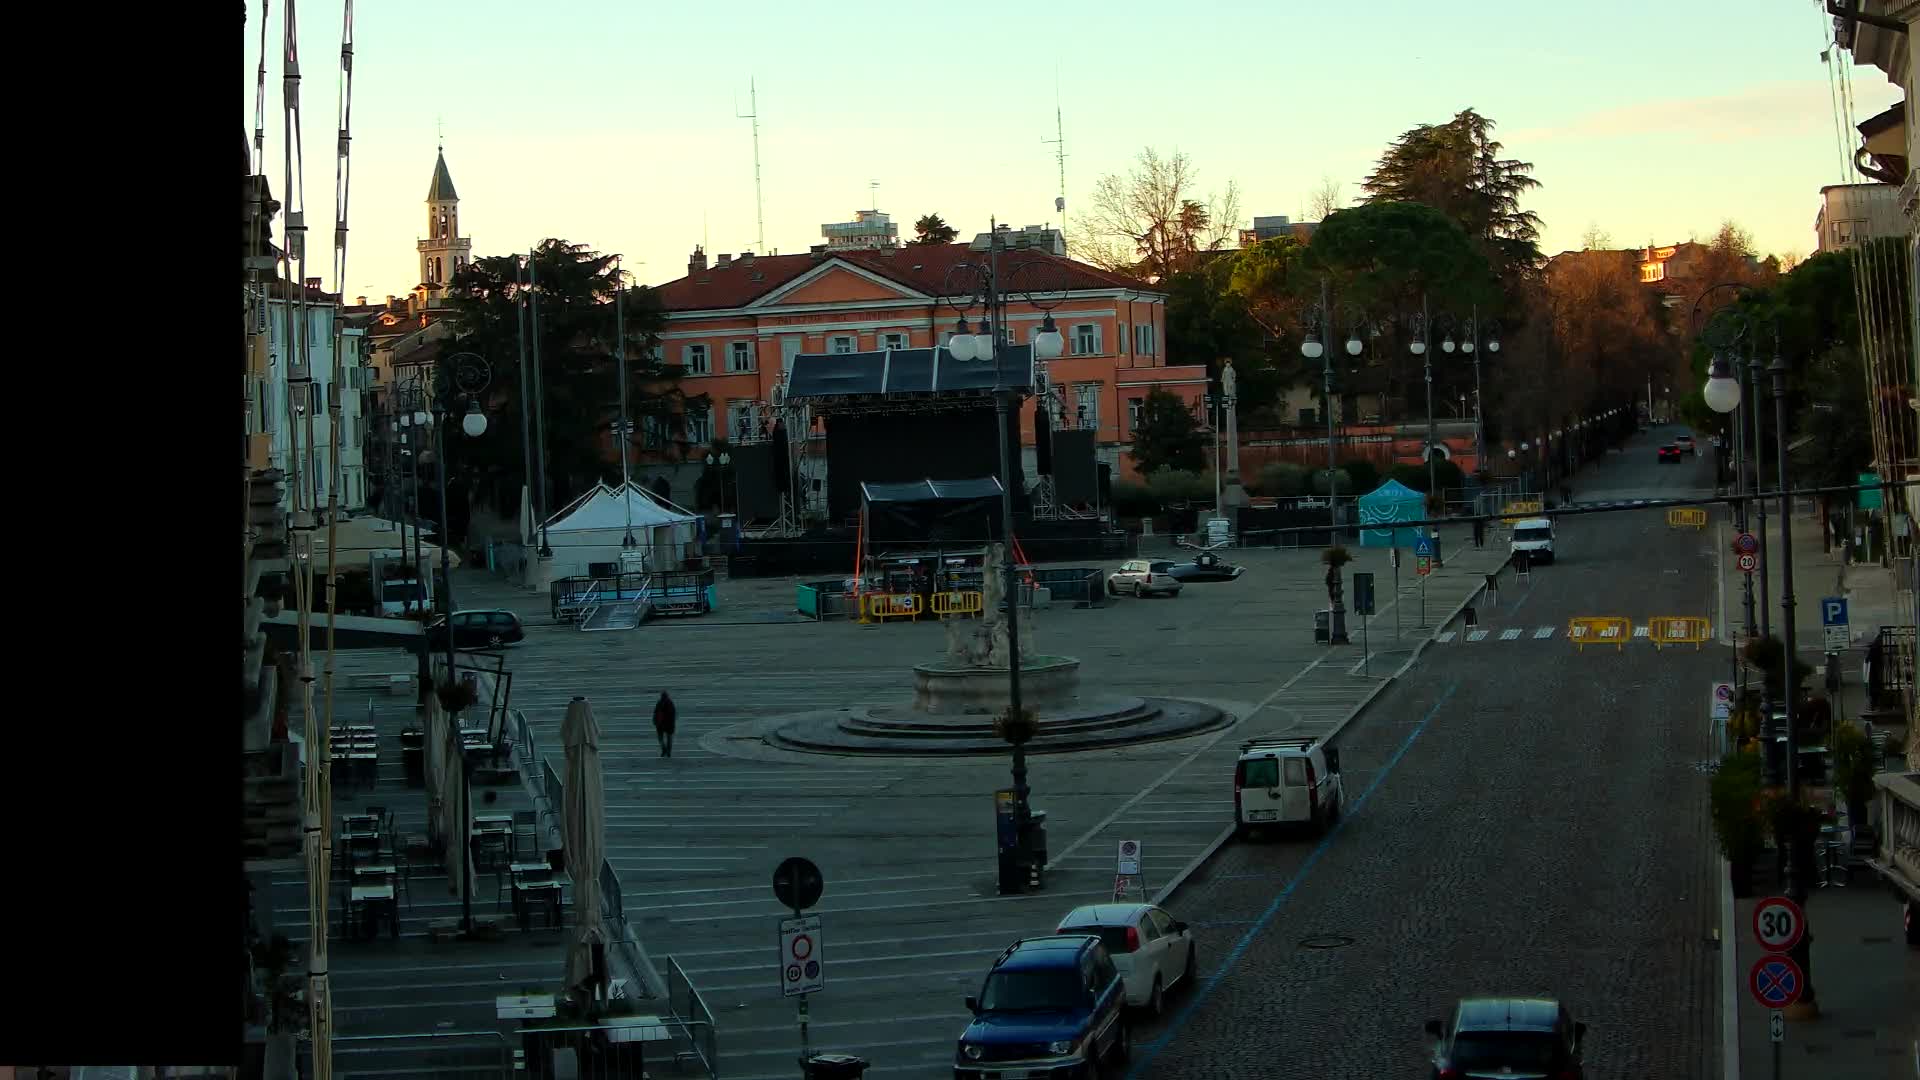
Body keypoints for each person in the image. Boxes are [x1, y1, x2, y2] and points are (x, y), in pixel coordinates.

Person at [653, 691, 677, 758]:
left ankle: (664, 749)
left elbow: (655, 713)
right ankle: (668, 752)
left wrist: (655, 721)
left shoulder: (659, 703)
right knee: (669, 739)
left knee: (660, 738)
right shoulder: (670, 703)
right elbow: (673, 715)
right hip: (668, 724)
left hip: (660, 724)